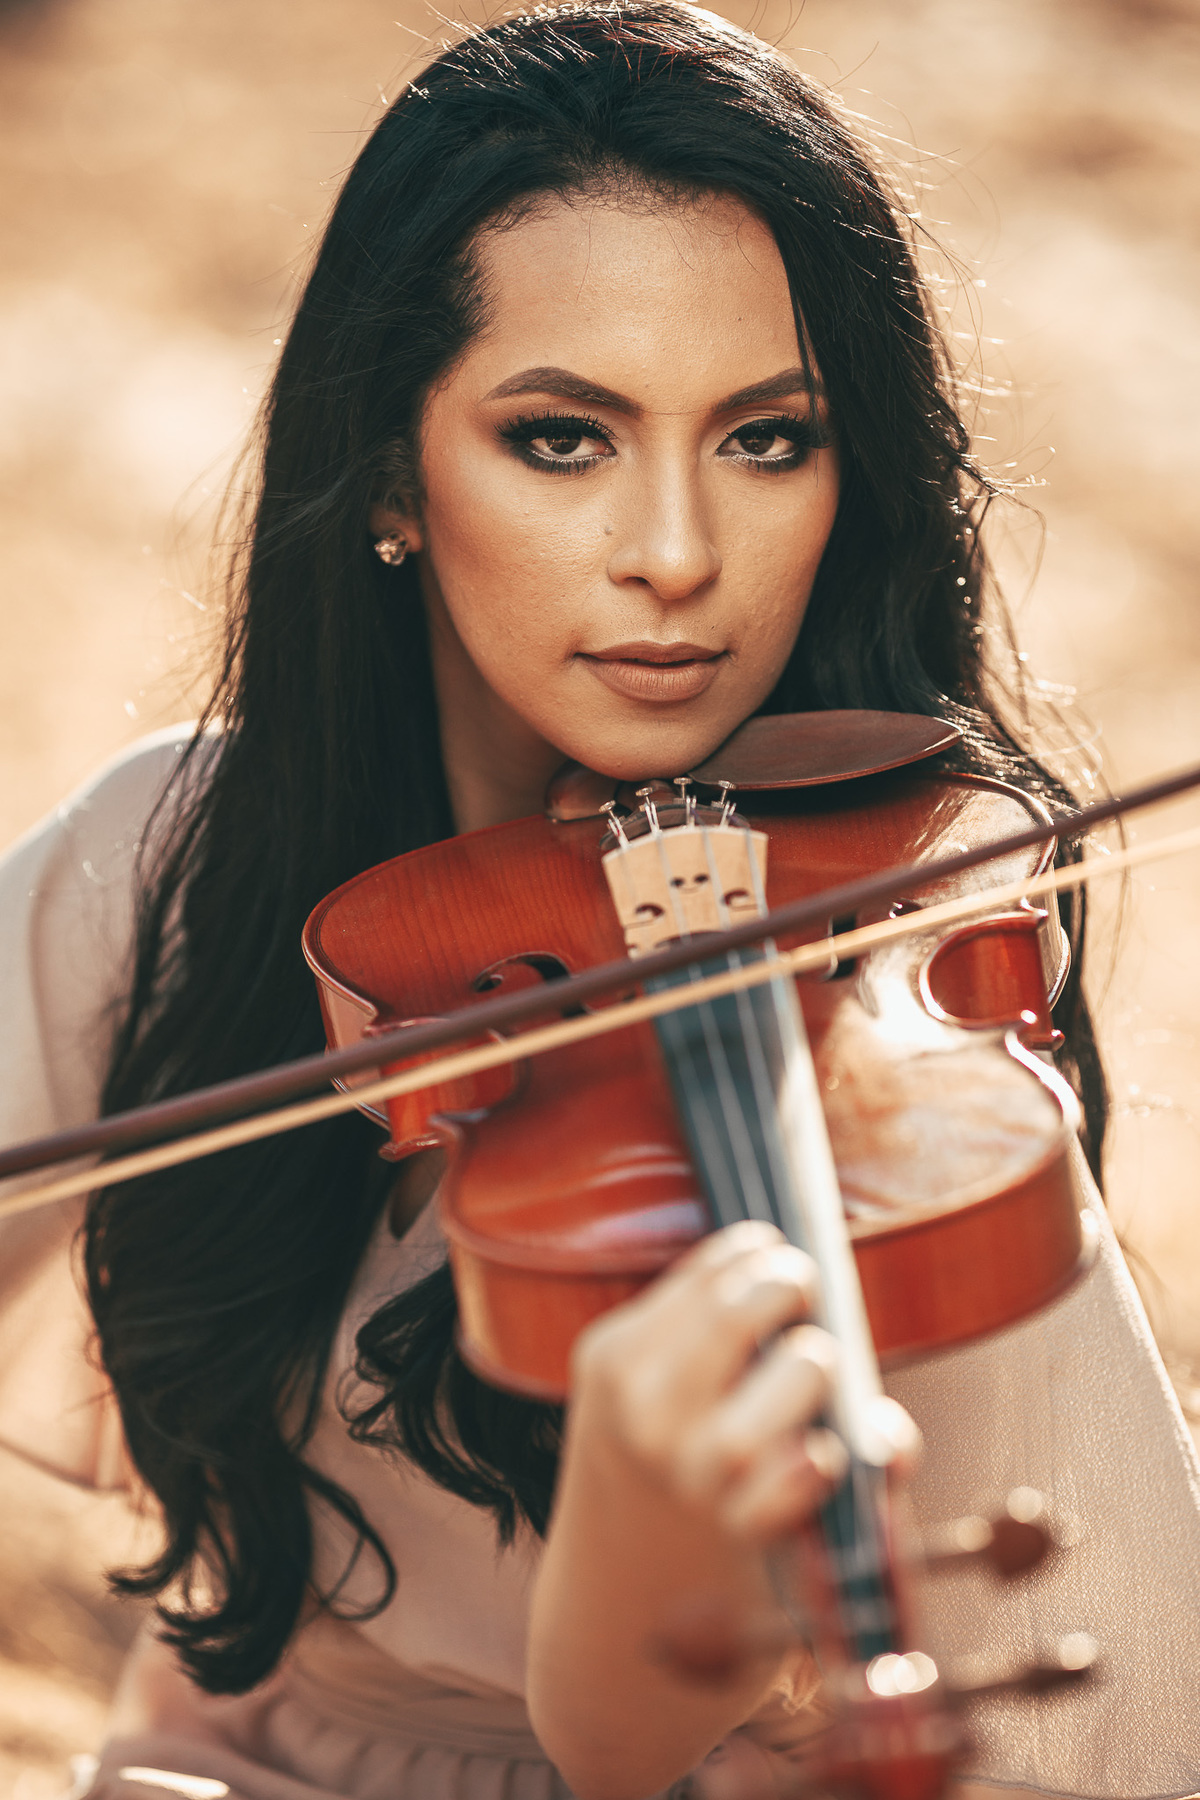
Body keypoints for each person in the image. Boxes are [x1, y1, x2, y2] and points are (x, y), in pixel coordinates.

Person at [2, 3, 1199, 1796]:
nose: (677, 554)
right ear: (398, 469)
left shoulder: (905, 984)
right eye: (563, 439)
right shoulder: (174, 860)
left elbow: (643, 1741)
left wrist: (658, 1548)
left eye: (767, 439)